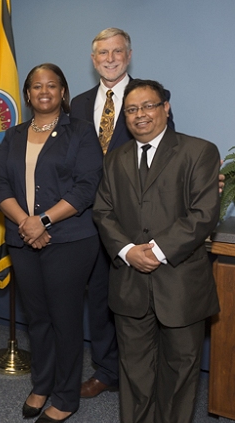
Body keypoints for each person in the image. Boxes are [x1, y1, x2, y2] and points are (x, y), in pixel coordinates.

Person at [93, 79, 220, 423]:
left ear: (166, 107)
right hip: (129, 278)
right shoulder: (115, 158)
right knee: (134, 362)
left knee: (180, 367)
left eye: (148, 106)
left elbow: (203, 214)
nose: (140, 115)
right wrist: (128, 251)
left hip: (180, 282)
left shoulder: (199, 152)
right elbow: (103, 211)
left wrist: (157, 251)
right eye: (132, 110)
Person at [0, 63, 103, 423]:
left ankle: (67, 396)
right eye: (36, 86)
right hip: (22, 239)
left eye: (52, 85)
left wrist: (44, 221)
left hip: (68, 240)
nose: (44, 91)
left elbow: (86, 188)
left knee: (64, 320)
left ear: (63, 92)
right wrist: (26, 223)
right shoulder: (14, 135)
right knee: (37, 318)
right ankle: (42, 384)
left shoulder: (82, 133)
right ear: (27, 94)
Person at [70, 28, 175, 398]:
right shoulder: (78, 104)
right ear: (93, 59)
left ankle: (143, 376)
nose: (110, 58)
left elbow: (168, 157)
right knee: (99, 299)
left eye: (117, 51)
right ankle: (106, 369)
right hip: (86, 219)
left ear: (128, 56)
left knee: (140, 305)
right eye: (102, 52)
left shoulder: (148, 98)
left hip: (137, 223)